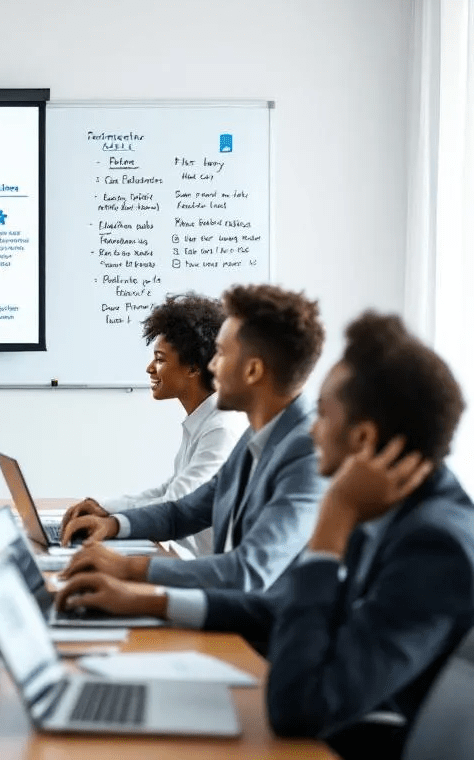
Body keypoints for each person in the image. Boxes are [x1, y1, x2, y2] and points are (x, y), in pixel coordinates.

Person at [55, 312, 472, 760]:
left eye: (324, 414)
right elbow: (284, 607)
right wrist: (147, 601)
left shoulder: (433, 545)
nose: (312, 430)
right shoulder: (395, 506)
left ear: (365, 438)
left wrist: (330, 528)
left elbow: (299, 708)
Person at [59, 284, 328, 591]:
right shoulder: (258, 435)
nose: (211, 365)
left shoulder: (309, 451)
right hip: (225, 602)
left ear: (253, 370)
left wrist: (130, 570)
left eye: (221, 354)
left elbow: (248, 571)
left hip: (252, 618)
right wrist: (113, 524)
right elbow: (183, 512)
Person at [69, 293, 246, 556]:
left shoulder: (221, 428)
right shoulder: (203, 420)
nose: (150, 368)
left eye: (160, 359)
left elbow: (176, 504)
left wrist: (112, 522)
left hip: (209, 569)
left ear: (193, 368)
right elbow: (169, 489)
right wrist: (104, 507)